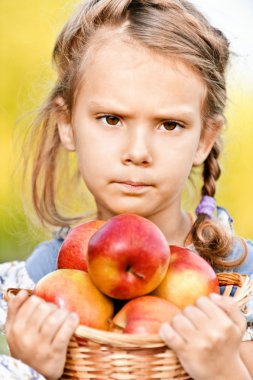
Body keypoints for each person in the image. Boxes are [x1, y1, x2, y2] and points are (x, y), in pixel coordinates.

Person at [0, 0, 253, 379]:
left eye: (169, 125)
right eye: (112, 119)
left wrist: (223, 370)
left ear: (205, 138)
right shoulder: (39, 282)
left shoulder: (239, 285)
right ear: (67, 124)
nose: (137, 152)